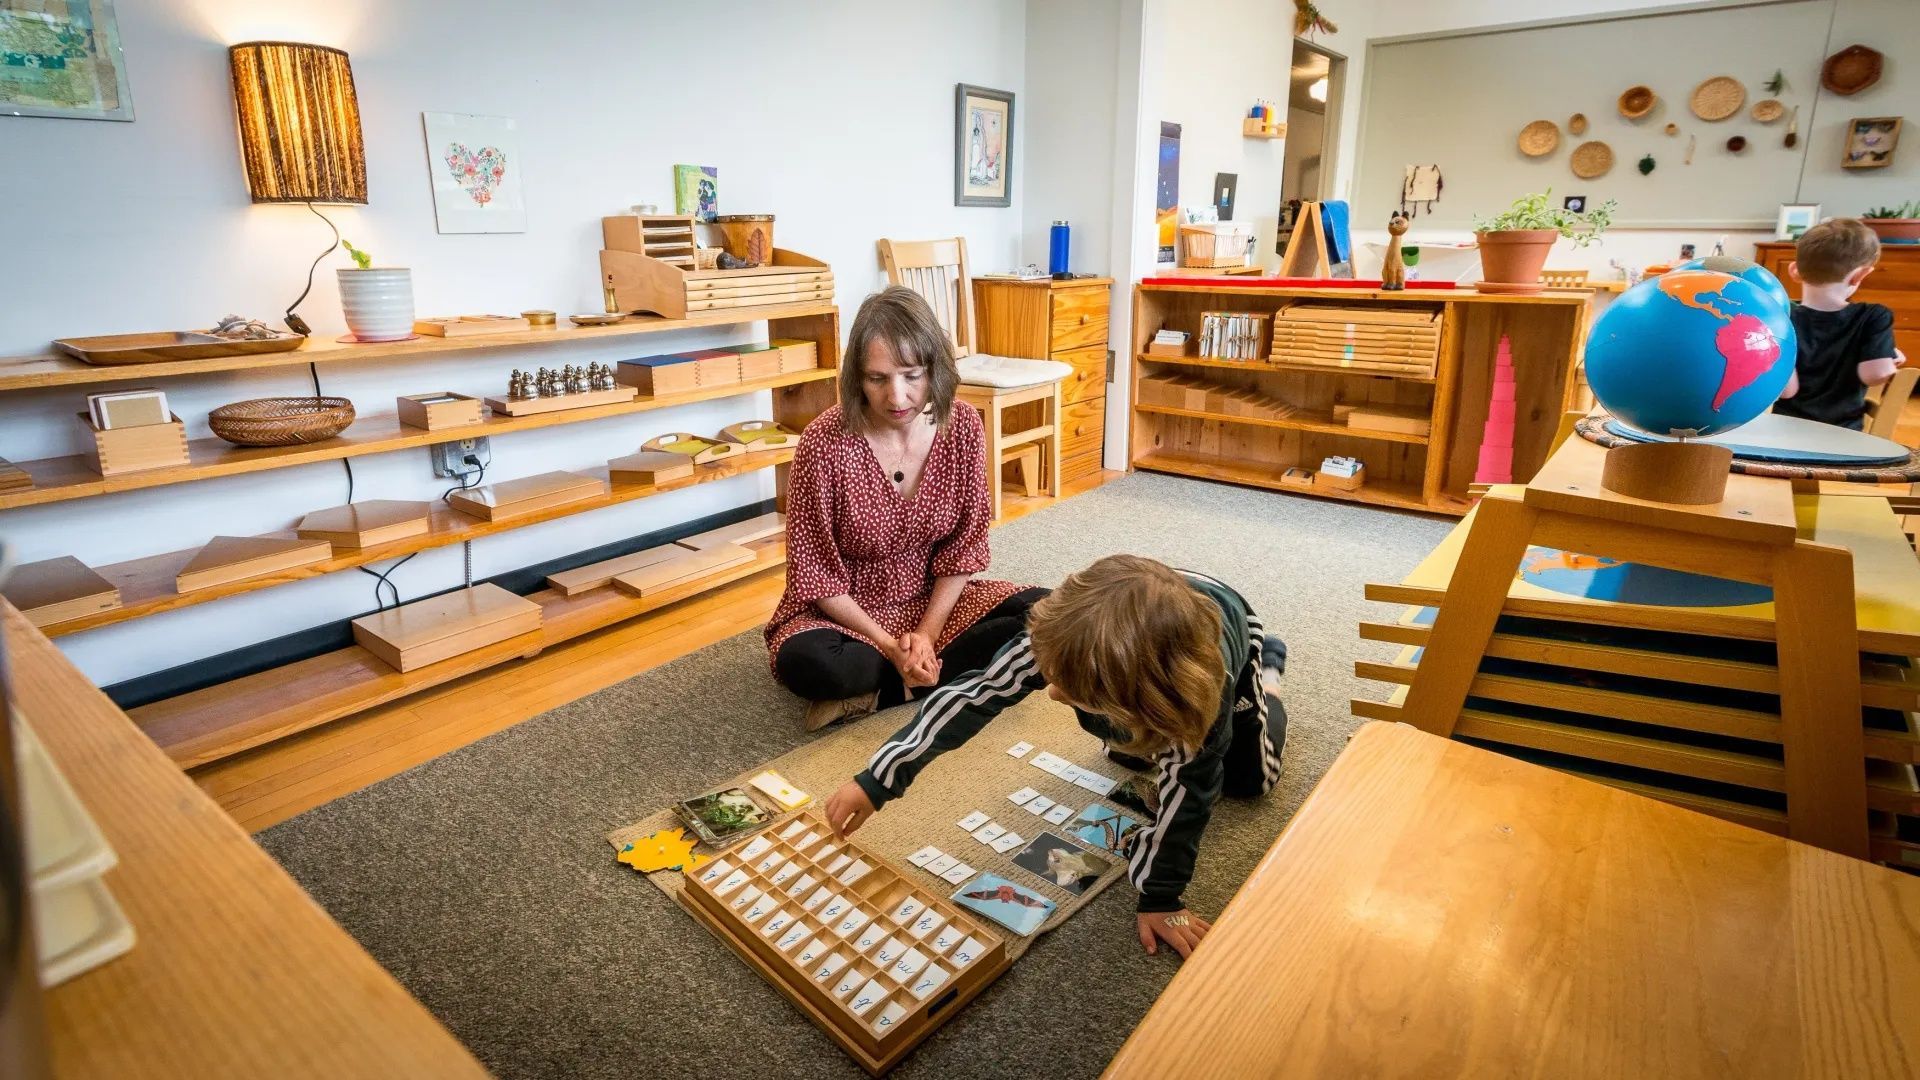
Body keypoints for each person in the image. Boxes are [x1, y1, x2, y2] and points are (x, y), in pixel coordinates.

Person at [821, 555, 1289, 960]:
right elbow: (967, 699)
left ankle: (1269, 675)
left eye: (1073, 691)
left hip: (1228, 631)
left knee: (1247, 782)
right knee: (1126, 753)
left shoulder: (1199, 706)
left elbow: (1189, 798)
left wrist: (1161, 896)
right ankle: (1123, 723)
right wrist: (878, 778)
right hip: (1132, 616)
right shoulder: (1054, 637)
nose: (1051, 694)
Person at [768, 286, 1044, 733]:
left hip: (933, 601)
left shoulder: (964, 427)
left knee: (1049, 617)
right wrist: (891, 645)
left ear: (934, 368)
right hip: (847, 615)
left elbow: (964, 547)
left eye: (911, 375)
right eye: (877, 378)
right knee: (812, 664)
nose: (897, 397)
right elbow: (814, 573)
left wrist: (928, 635)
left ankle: (884, 693)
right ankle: (919, 674)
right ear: (856, 377)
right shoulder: (822, 443)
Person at [1775, 217, 1904, 430]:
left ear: (1794, 270)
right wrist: (1888, 355)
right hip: (1844, 435)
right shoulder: (1873, 316)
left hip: (1787, 428)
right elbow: (1874, 374)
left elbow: (1788, 390)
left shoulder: (1783, 317)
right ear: (1861, 275)